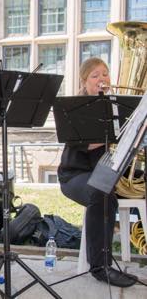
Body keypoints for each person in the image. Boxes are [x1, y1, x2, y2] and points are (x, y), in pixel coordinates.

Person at [57, 57, 136, 287]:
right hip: (75, 175)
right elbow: (85, 144)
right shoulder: (75, 107)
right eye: (95, 75)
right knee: (100, 193)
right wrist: (118, 133)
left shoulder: (116, 105)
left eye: (105, 73)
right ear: (84, 81)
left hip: (107, 173)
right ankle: (100, 267)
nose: (102, 79)